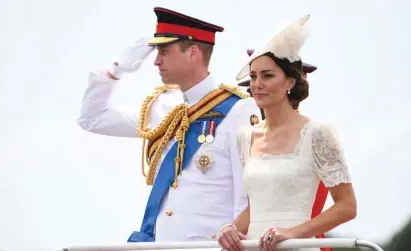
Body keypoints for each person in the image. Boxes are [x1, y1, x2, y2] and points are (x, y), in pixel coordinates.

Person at [77, 7, 262, 243]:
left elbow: (246, 194)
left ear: (193, 53)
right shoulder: (162, 107)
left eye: (164, 51)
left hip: (211, 245)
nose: (156, 61)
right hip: (164, 243)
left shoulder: (238, 109)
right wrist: (115, 70)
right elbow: (91, 119)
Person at [218, 15, 357, 251]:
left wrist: (291, 234)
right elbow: (257, 207)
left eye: (267, 75)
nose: (257, 84)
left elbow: (347, 206)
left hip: (297, 246)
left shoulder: (318, 132)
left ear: (289, 82)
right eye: (253, 77)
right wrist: (230, 229)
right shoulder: (245, 137)